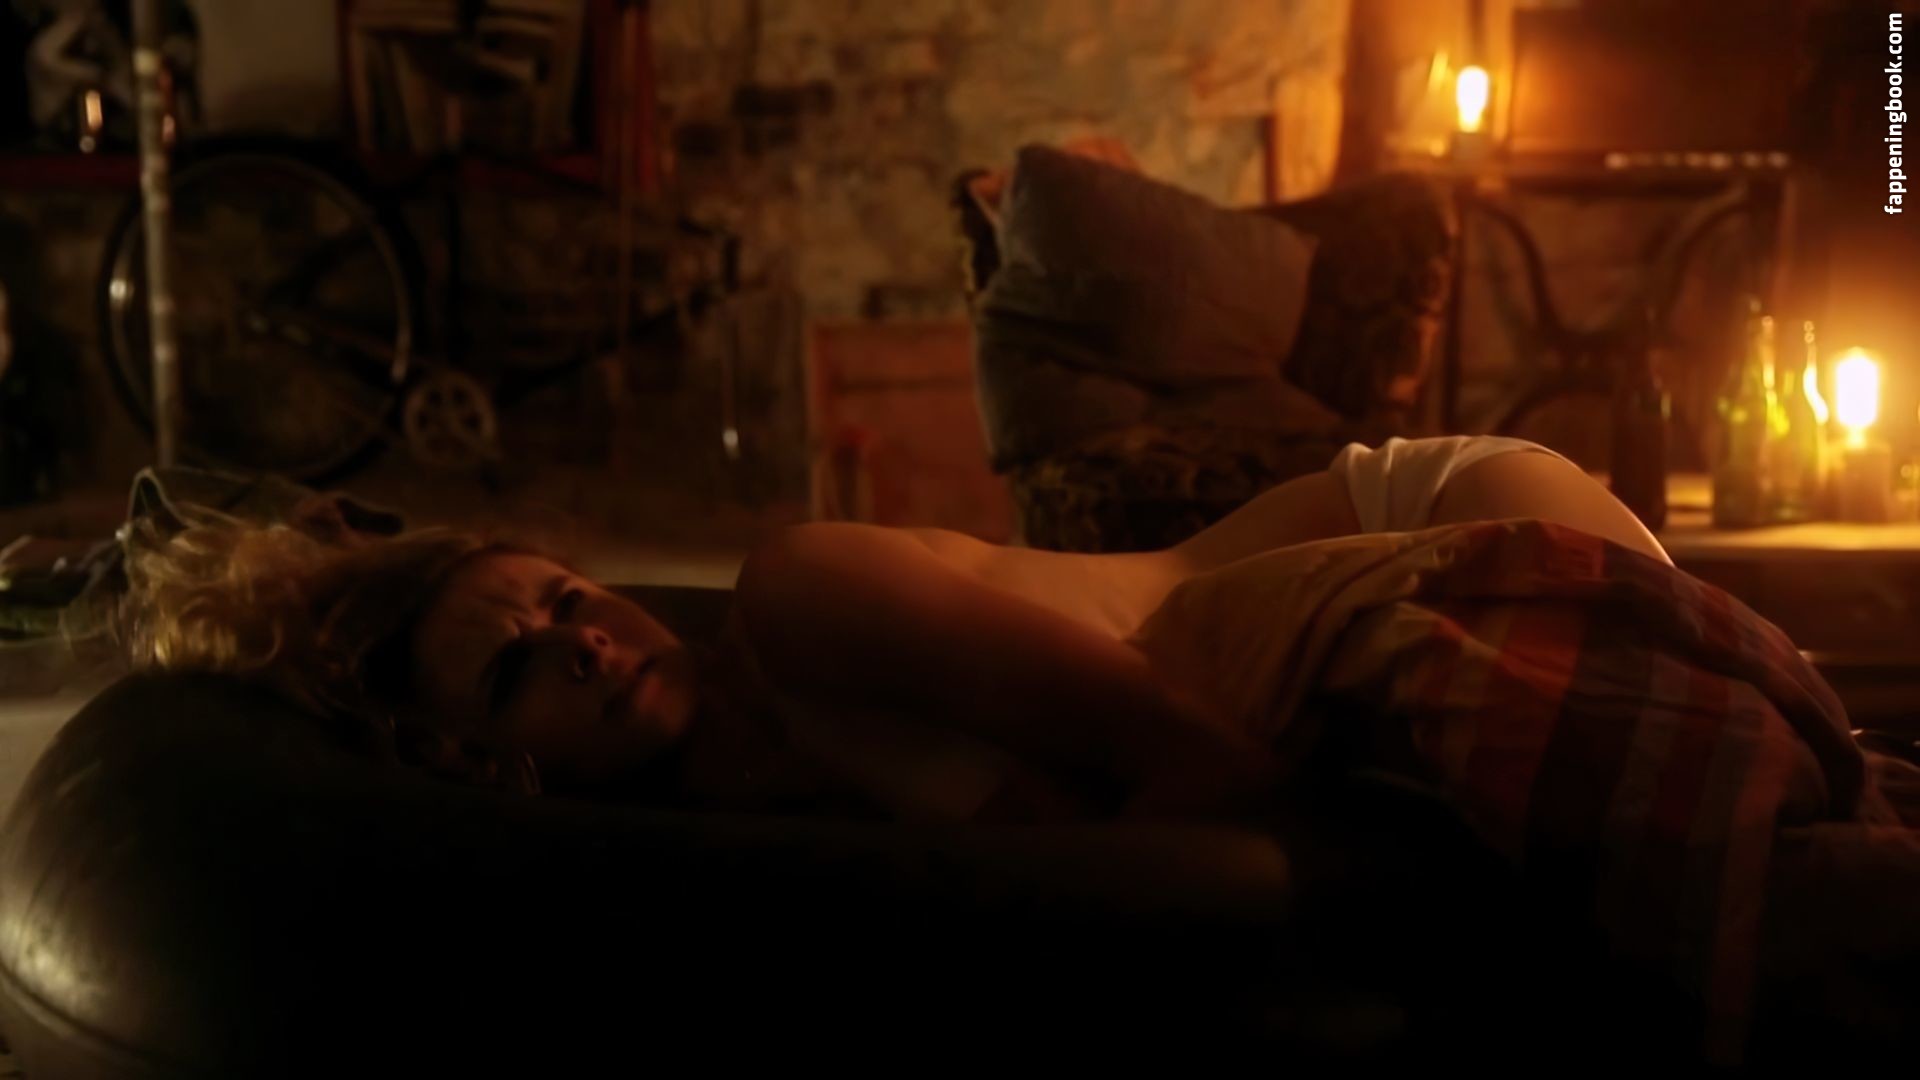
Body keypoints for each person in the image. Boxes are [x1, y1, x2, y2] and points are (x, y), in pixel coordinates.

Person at [123, 434, 1669, 824]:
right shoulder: (750, 801)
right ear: (473, 760)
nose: (581, 641)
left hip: (1421, 524)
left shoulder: (800, 599)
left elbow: (1200, 760)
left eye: (568, 603)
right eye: (519, 666)